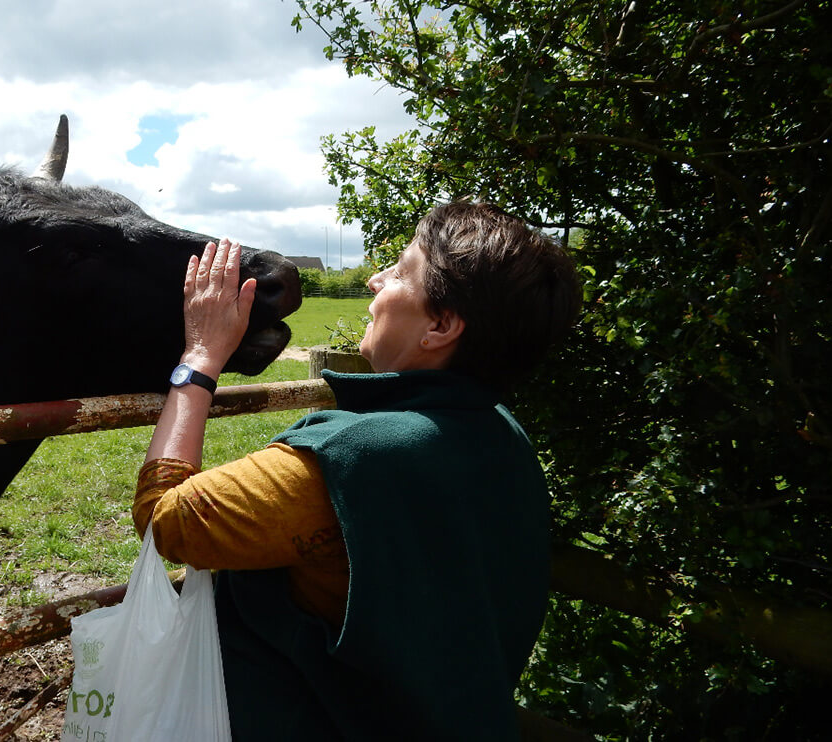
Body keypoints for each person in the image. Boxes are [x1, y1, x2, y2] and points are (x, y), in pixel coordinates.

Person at [133, 201, 581, 740]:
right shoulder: (503, 434)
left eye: (399, 271)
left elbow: (165, 520)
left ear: (440, 325)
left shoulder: (351, 457)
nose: (374, 279)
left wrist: (201, 358)